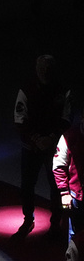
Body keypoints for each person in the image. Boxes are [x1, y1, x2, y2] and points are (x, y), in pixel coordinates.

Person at [13, 55, 69, 238]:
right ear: (36, 67)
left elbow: (67, 118)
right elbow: (20, 119)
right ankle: (28, 219)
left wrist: (51, 139)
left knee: (56, 186)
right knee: (27, 185)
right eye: (41, 66)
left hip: (53, 148)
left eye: (48, 66)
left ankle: (56, 224)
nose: (44, 70)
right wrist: (36, 139)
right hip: (32, 147)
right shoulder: (27, 89)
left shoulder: (62, 90)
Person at [53, 99, 84, 238]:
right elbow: (58, 165)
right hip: (77, 195)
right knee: (75, 233)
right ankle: (73, 259)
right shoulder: (69, 136)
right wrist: (64, 192)